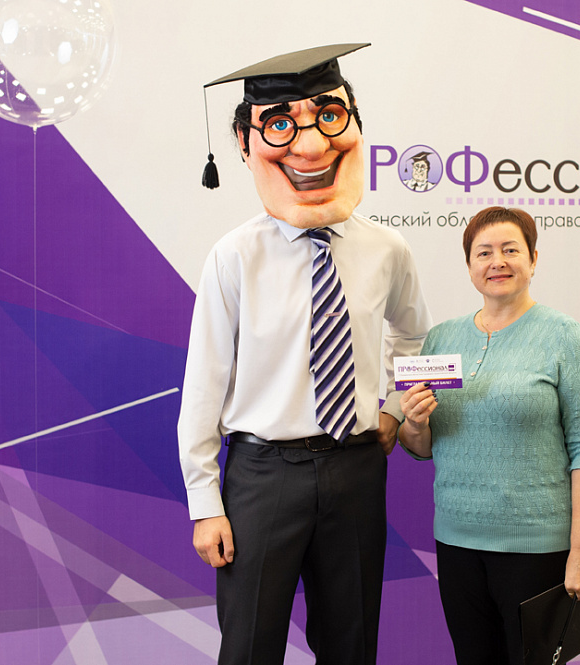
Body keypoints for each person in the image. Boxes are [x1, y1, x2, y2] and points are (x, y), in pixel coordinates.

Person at [179, 43, 431, 665]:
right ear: (246, 145)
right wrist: (205, 504)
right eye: (281, 126)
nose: (311, 146)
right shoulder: (234, 257)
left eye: (330, 118)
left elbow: (413, 338)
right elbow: (204, 384)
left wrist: (394, 410)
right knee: (250, 646)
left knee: (351, 644)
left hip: (356, 468)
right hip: (263, 475)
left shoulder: (387, 249)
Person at [398, 206, 580, 665]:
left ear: (533, 260)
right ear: (469, 265)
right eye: (484, 252)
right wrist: (413, 423)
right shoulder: (441, 339)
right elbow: (422, 448)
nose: (498, 262)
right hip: (456, 544)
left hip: (537, 549)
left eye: (511, 250)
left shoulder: (564, 336)